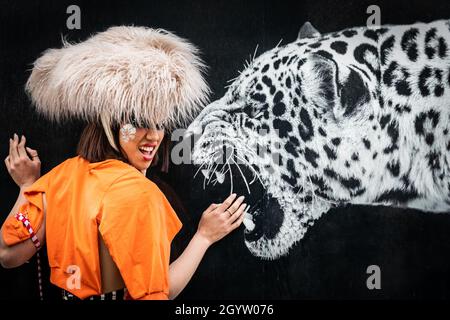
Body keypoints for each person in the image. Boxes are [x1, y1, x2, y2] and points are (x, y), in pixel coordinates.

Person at [0, 26, 246, 300]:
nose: (153, 135)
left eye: (159, 123)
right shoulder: (139, 193)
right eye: (139, 122)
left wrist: (27, 187)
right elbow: (156, 294)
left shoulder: (61, 176)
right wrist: (204, 237)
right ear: (110, 125)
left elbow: (8, 254)